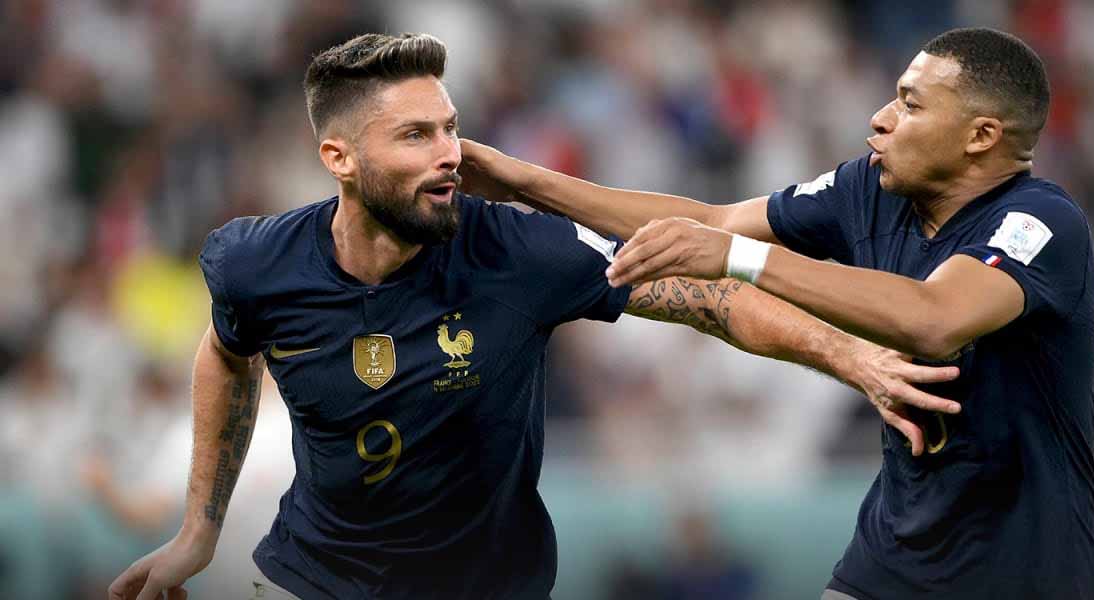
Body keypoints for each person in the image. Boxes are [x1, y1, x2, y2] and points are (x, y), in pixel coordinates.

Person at [107, 33, 960, 600]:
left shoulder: (516, 251)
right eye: (415, 136)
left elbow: (712, 300)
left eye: (451, 129)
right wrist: (198, 531)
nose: (450, 154)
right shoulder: (254, 261)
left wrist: (853, 358)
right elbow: (227, 352)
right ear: (340, 158)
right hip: (308, 582)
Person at [460, 27, 1094, 600]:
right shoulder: (869, 190)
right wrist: (521, 182)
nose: (881, 118)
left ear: (981, 136)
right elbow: (708, 222)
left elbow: (934, 318)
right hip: (896, 552)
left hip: (1026, 565)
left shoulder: (1042, 223)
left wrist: (738, 258)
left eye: (911, 105)